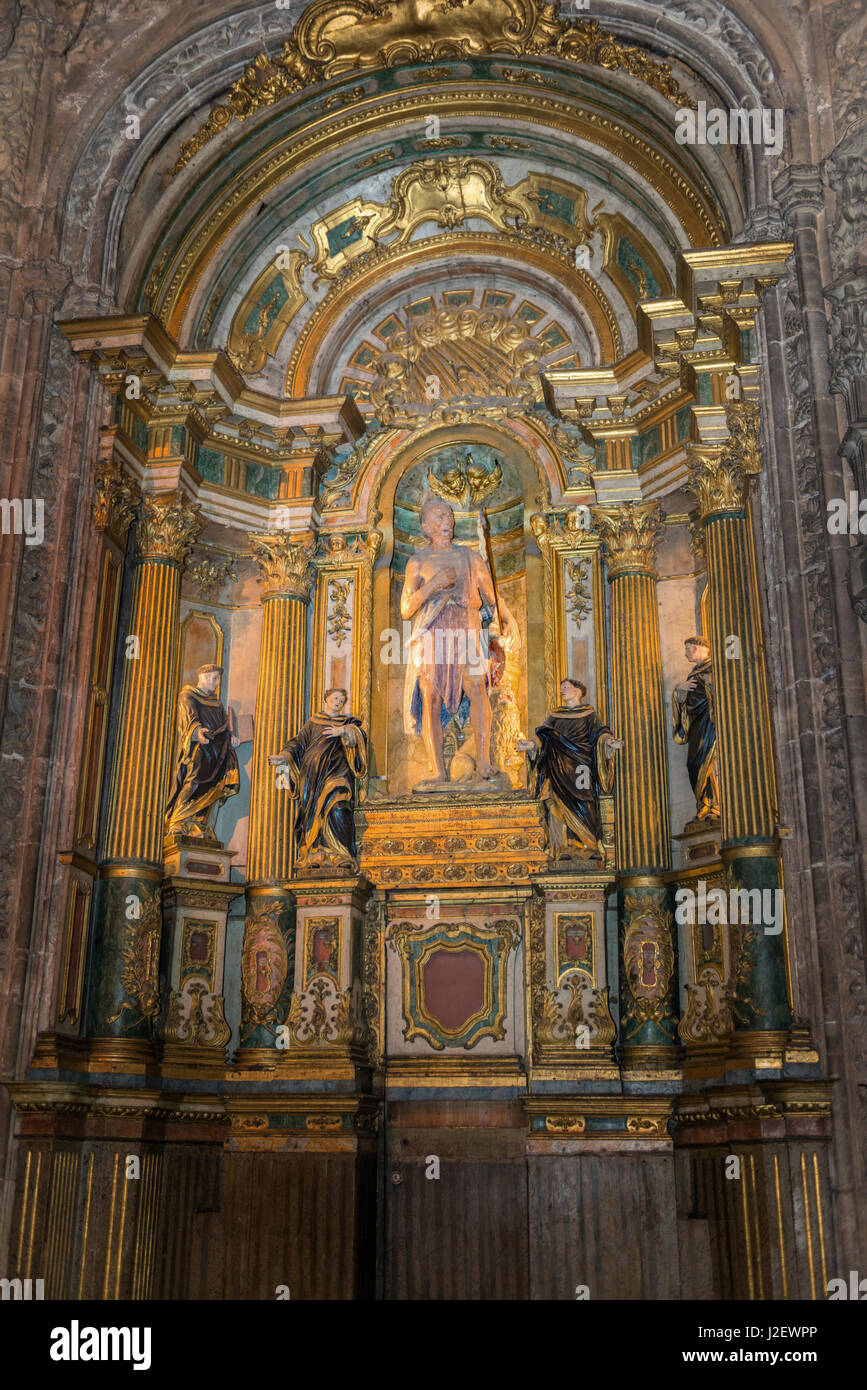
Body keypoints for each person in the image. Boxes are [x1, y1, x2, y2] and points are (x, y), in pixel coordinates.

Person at [400, 496, 519, 790]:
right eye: (439, 517)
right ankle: (437, 771)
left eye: (450, 516)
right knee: (431, 697)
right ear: (425, 526)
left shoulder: (470, 557)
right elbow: (405, 608)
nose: (447, 522)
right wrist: (432, 585)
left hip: (466, 626)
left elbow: (491, 595)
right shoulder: (417, 562)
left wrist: (509, 620)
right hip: (433, 631)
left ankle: (483, 761)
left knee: (477, 686)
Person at [518, 678, 622, 862]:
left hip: (581, 766)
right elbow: (542, 736)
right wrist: (531, 744)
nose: (563, 691)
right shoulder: (556, 715)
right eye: (561, 688)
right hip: (558, 767)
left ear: (578, 691)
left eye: (566, 687)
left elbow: (600, 734)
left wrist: (609, 742)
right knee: (557, 806)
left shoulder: (589, 714)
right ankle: (563, 848)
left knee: (585, 803)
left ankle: (588, 847)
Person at [269, 688, 367, 871]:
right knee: (313, 812)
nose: (338, 702)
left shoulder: (346, 722)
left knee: (339, 807)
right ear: (326, 699)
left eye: (342, 699)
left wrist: (344, 731)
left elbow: (360, 736)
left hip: (338, 770)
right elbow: (298, 743)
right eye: (335, 698)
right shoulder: (313, 722)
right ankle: (315, 854)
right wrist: (283, 757)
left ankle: (340, 854)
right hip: (313, 774)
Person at [164, 663, 240, 842]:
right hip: (199, 750)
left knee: (211, 786)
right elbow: (188, 718)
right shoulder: (188, 695)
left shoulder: (217, 703)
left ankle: (197, 824)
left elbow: (223, 726)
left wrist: (232, 738)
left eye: (217, 679)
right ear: (203, 677)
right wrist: (197, 732)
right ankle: (178, 820)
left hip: (218, 753)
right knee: (194, 781)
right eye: (213, 679)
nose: (215, 683)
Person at [672, 635, 719, 822]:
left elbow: (726, 694)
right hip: (696, 725)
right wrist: (679, 691)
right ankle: (704, 804)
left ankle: (714, 806)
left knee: (711, 762)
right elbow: (686, 702)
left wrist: (711, 686)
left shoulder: (714, 667)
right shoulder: (693, 672)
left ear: (700, 647)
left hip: (711, 723)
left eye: (688, 648)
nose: (685, 653)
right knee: (693, 764)